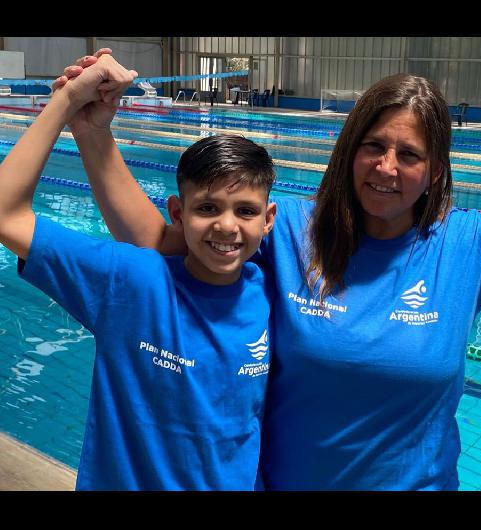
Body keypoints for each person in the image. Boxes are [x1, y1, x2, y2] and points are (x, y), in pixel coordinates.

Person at [61, 52, 481, 490]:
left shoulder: (472, 243)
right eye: (374, 146)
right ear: (349, 149)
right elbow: (159, 241)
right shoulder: (291, 229)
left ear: (435, 168)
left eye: (411, 155)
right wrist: (93, 136)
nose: (387, 167)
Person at [0, 54, 279, 490]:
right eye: (207, 208)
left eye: (245, 211)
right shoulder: (131, 282)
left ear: (269, 219)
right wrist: (67, 101)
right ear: (177, 212)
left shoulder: (275, 294)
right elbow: (6, 215)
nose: (226, 226)